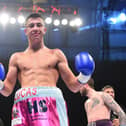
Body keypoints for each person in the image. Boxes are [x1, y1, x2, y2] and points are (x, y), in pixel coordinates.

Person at [0, 13, 95, 126]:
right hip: (23, 104)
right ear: (25, 31)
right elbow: (7, 91)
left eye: (39, 25)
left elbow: (73, 86)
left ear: (44, 29)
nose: (35, 28)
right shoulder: (16, 58)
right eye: (31, 26)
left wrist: (85, 75)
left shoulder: (56, 54)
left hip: (50, 102)